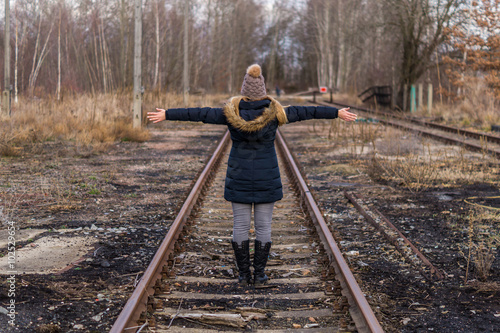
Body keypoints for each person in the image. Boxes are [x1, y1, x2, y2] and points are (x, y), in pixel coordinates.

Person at [147, 64, 357, 286]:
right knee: (264, 227)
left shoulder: (230, 114)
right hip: (268, 179)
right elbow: (309, 111)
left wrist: (167, 114)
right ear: (264, 90)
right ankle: (259, 274)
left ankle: (243, 274)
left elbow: (200, 113)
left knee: (240, 226)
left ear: (244, 90)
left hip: (239, 177)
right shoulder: (278, 113)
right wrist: (337, 113)